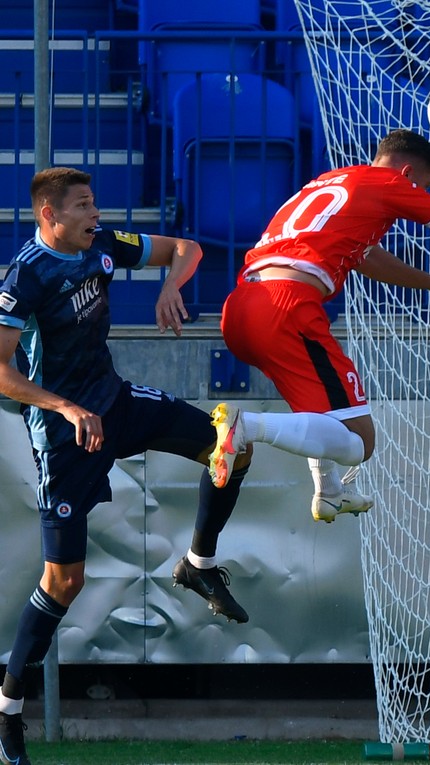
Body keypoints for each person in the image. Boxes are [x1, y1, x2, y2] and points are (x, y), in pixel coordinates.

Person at [0, 167, 255, 765]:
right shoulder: (25, 279)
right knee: (64, 581)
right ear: (49, 216)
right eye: (84, 207)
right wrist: (65, 406)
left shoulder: (105, 245)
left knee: (232, 447)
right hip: (65, 437)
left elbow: (186, 248)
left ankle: (198, 563)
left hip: (116, 404)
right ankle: (7, 712)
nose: (96, 215)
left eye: (96, 204)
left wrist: (172, 284)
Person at [207, 128, 430, 522]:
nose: (421, 192)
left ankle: (329, 491)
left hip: (243, 307)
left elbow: (364, 256)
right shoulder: (389, 182)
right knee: (361, 441)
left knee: (321, 410)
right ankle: (246, 425)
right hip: (286, 306)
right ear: (408, 171)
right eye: (424, 186)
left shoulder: (332, 180)